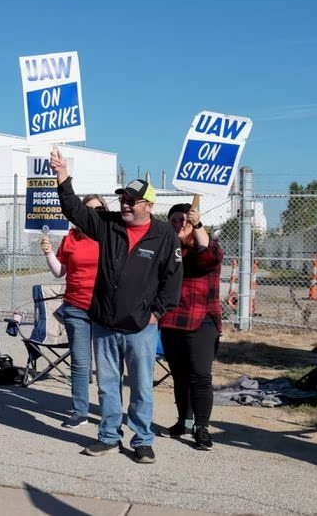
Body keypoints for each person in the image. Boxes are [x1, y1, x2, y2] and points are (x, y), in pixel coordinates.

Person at [50, 148, 182, 464]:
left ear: (148, 206)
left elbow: (172, 277)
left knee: (141, 388)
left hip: (140, 327)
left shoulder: (164, 235)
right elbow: (74, 211)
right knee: (108, 386)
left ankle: (142, 440)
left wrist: (156, 313)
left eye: (131, 201)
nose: (124, 204)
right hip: (105, 323)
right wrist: (62, 176)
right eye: (122, 199)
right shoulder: (108, 225)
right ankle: (109, 436)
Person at [159, 202, 223, 450]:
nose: (179, 225)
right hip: (172, 320)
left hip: (201, 321)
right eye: (174, 220)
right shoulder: (166, 249)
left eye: (184, 221)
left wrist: (197, 225)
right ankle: (182, 421)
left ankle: (202, 427)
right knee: (180, 376)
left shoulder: (203, 248)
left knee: (200, 377)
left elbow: (211, 257)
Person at [41, 193, 108, 429]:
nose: (93, 213)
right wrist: (48, 252)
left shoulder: (110, 235)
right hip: (76, 307)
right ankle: (80, 411)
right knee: (80, 363)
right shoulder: (72, 237)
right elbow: (59, 271)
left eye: (98, 209)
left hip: (105, 310)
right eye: (87, 209)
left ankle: (110, 413)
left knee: (107, 365)